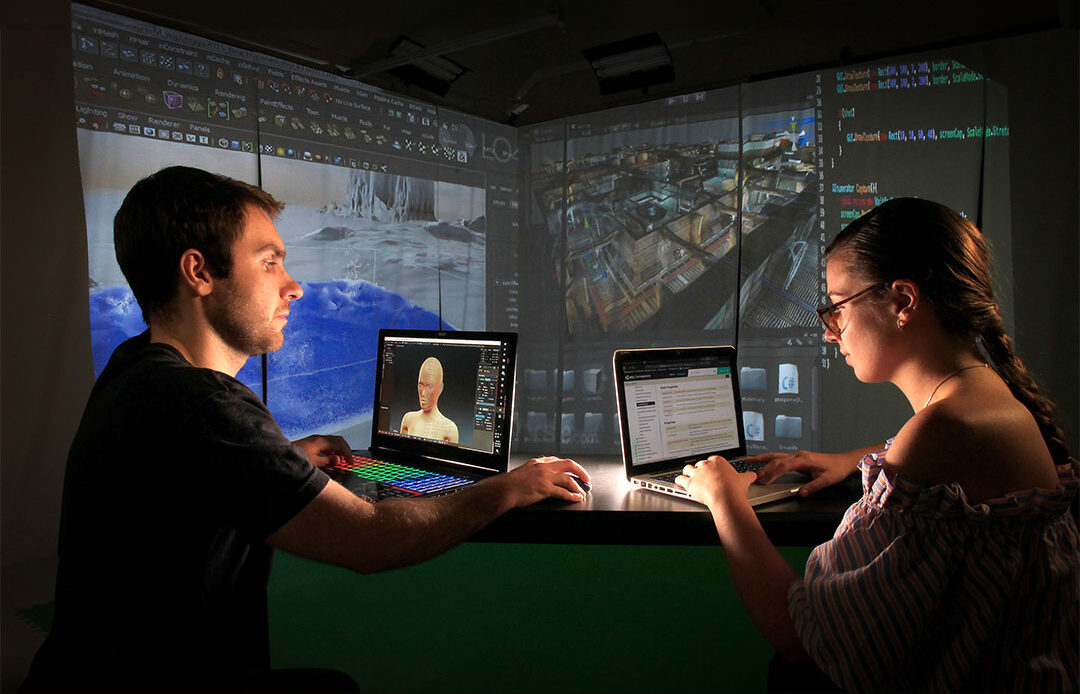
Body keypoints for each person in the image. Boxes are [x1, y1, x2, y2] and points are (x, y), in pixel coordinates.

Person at [21, 166, 590, 693]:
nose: (293, 286)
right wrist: (510, 486)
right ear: (199, 272)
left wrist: (279, 458)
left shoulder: (136, 366)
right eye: (269, 262)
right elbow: (371, 540)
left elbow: (183, 476)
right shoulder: (202, 404)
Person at [676, 198, 1078, 692]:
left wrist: (723, 496)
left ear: (902, 303)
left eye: (837, 306)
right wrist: (852, 460)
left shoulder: (939, 433)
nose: (829, 332)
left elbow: (806, 641)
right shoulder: (983, 399)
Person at [400, 356, 459, 443]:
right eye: (421, 385)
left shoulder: (449, 429)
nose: (423, 393)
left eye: (429, 386)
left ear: (440, 388)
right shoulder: (408, 419)